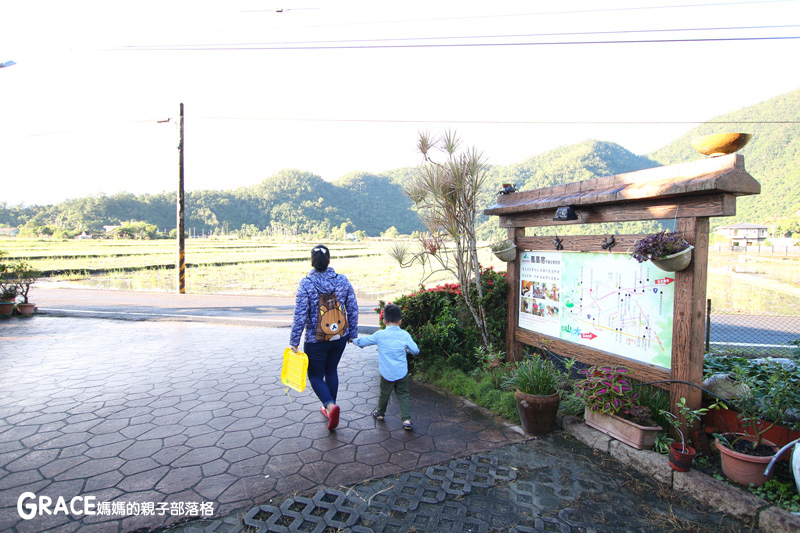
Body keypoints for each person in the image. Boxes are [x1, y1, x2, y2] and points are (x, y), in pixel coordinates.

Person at [290, 245, 359, 430]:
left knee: (314, 375)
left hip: (316, 340)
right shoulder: (343, 280)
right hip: (340, 337)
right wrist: (352, 333)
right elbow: (352, 307)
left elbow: (300, 315)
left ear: (312, 261)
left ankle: (329, 405)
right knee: (331, 371)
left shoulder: (306, 283)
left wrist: (294, 341)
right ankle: (331, 408)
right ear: (329, 260)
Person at [352, 303, 419, 430]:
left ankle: (380, 413)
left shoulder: (380, 335)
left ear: (384, 321)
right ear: (400, 321)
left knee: (384, 394)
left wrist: (352, 340)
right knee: (403, 394)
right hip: (401, 372)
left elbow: (363, 342)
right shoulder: (404, 335)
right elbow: (415, 350)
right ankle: (406, 420)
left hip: (386, 372)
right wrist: (408, 350)